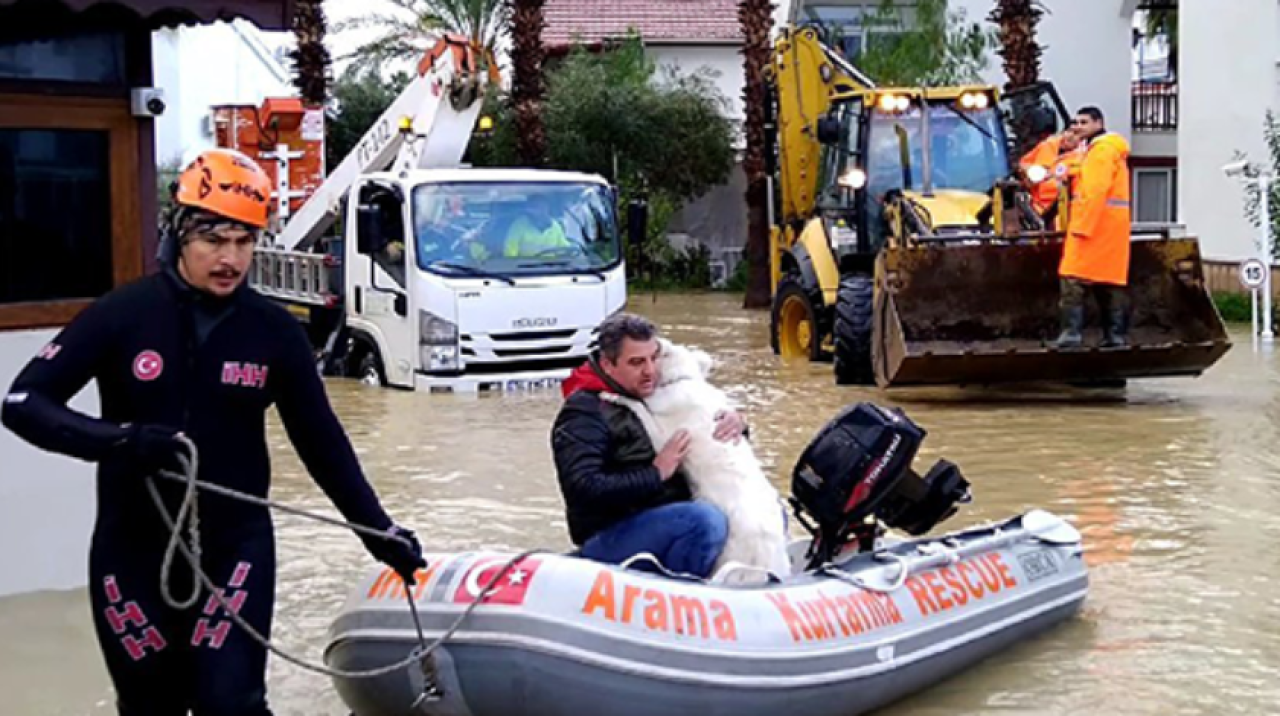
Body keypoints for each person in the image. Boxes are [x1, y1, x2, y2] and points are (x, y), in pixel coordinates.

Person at [0, 148, 426, 715]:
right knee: (150, 705)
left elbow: (322, 444)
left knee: (232, 704)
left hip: (235, 549)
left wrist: (378, 530)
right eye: (213, 240)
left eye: (244, 241)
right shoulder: (122, 314)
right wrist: (122, 440)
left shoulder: (273, 331)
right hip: (131, 551)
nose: (230, 258)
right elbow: (24, 403)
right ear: (180, 234)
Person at [550, 313, 748, 579]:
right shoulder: (583, 413)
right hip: (611, 534)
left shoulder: (657, 392)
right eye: (637, 362)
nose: (650, 371)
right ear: (607, 364)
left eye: (654, 358)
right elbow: (583, 488)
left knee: (761, 514)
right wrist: (656, 473)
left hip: (668, 517)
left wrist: (736, 424)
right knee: (704, 520)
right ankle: (681, 594)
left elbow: (710, 453)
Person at [1051, 107, 1133, 349]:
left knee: (1071, 277)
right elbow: (1089, 176)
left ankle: (1071, 334)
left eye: (1084, 122)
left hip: (1093, 227)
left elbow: (1095, 190)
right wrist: (1068, 171)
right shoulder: (1104, 151)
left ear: (1099, 123)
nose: (1077, 127)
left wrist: (1080, 227)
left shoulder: (1100, 152)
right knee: (1110, 280)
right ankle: (1115, 337)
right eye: (1075, 122)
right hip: (1112, 228)